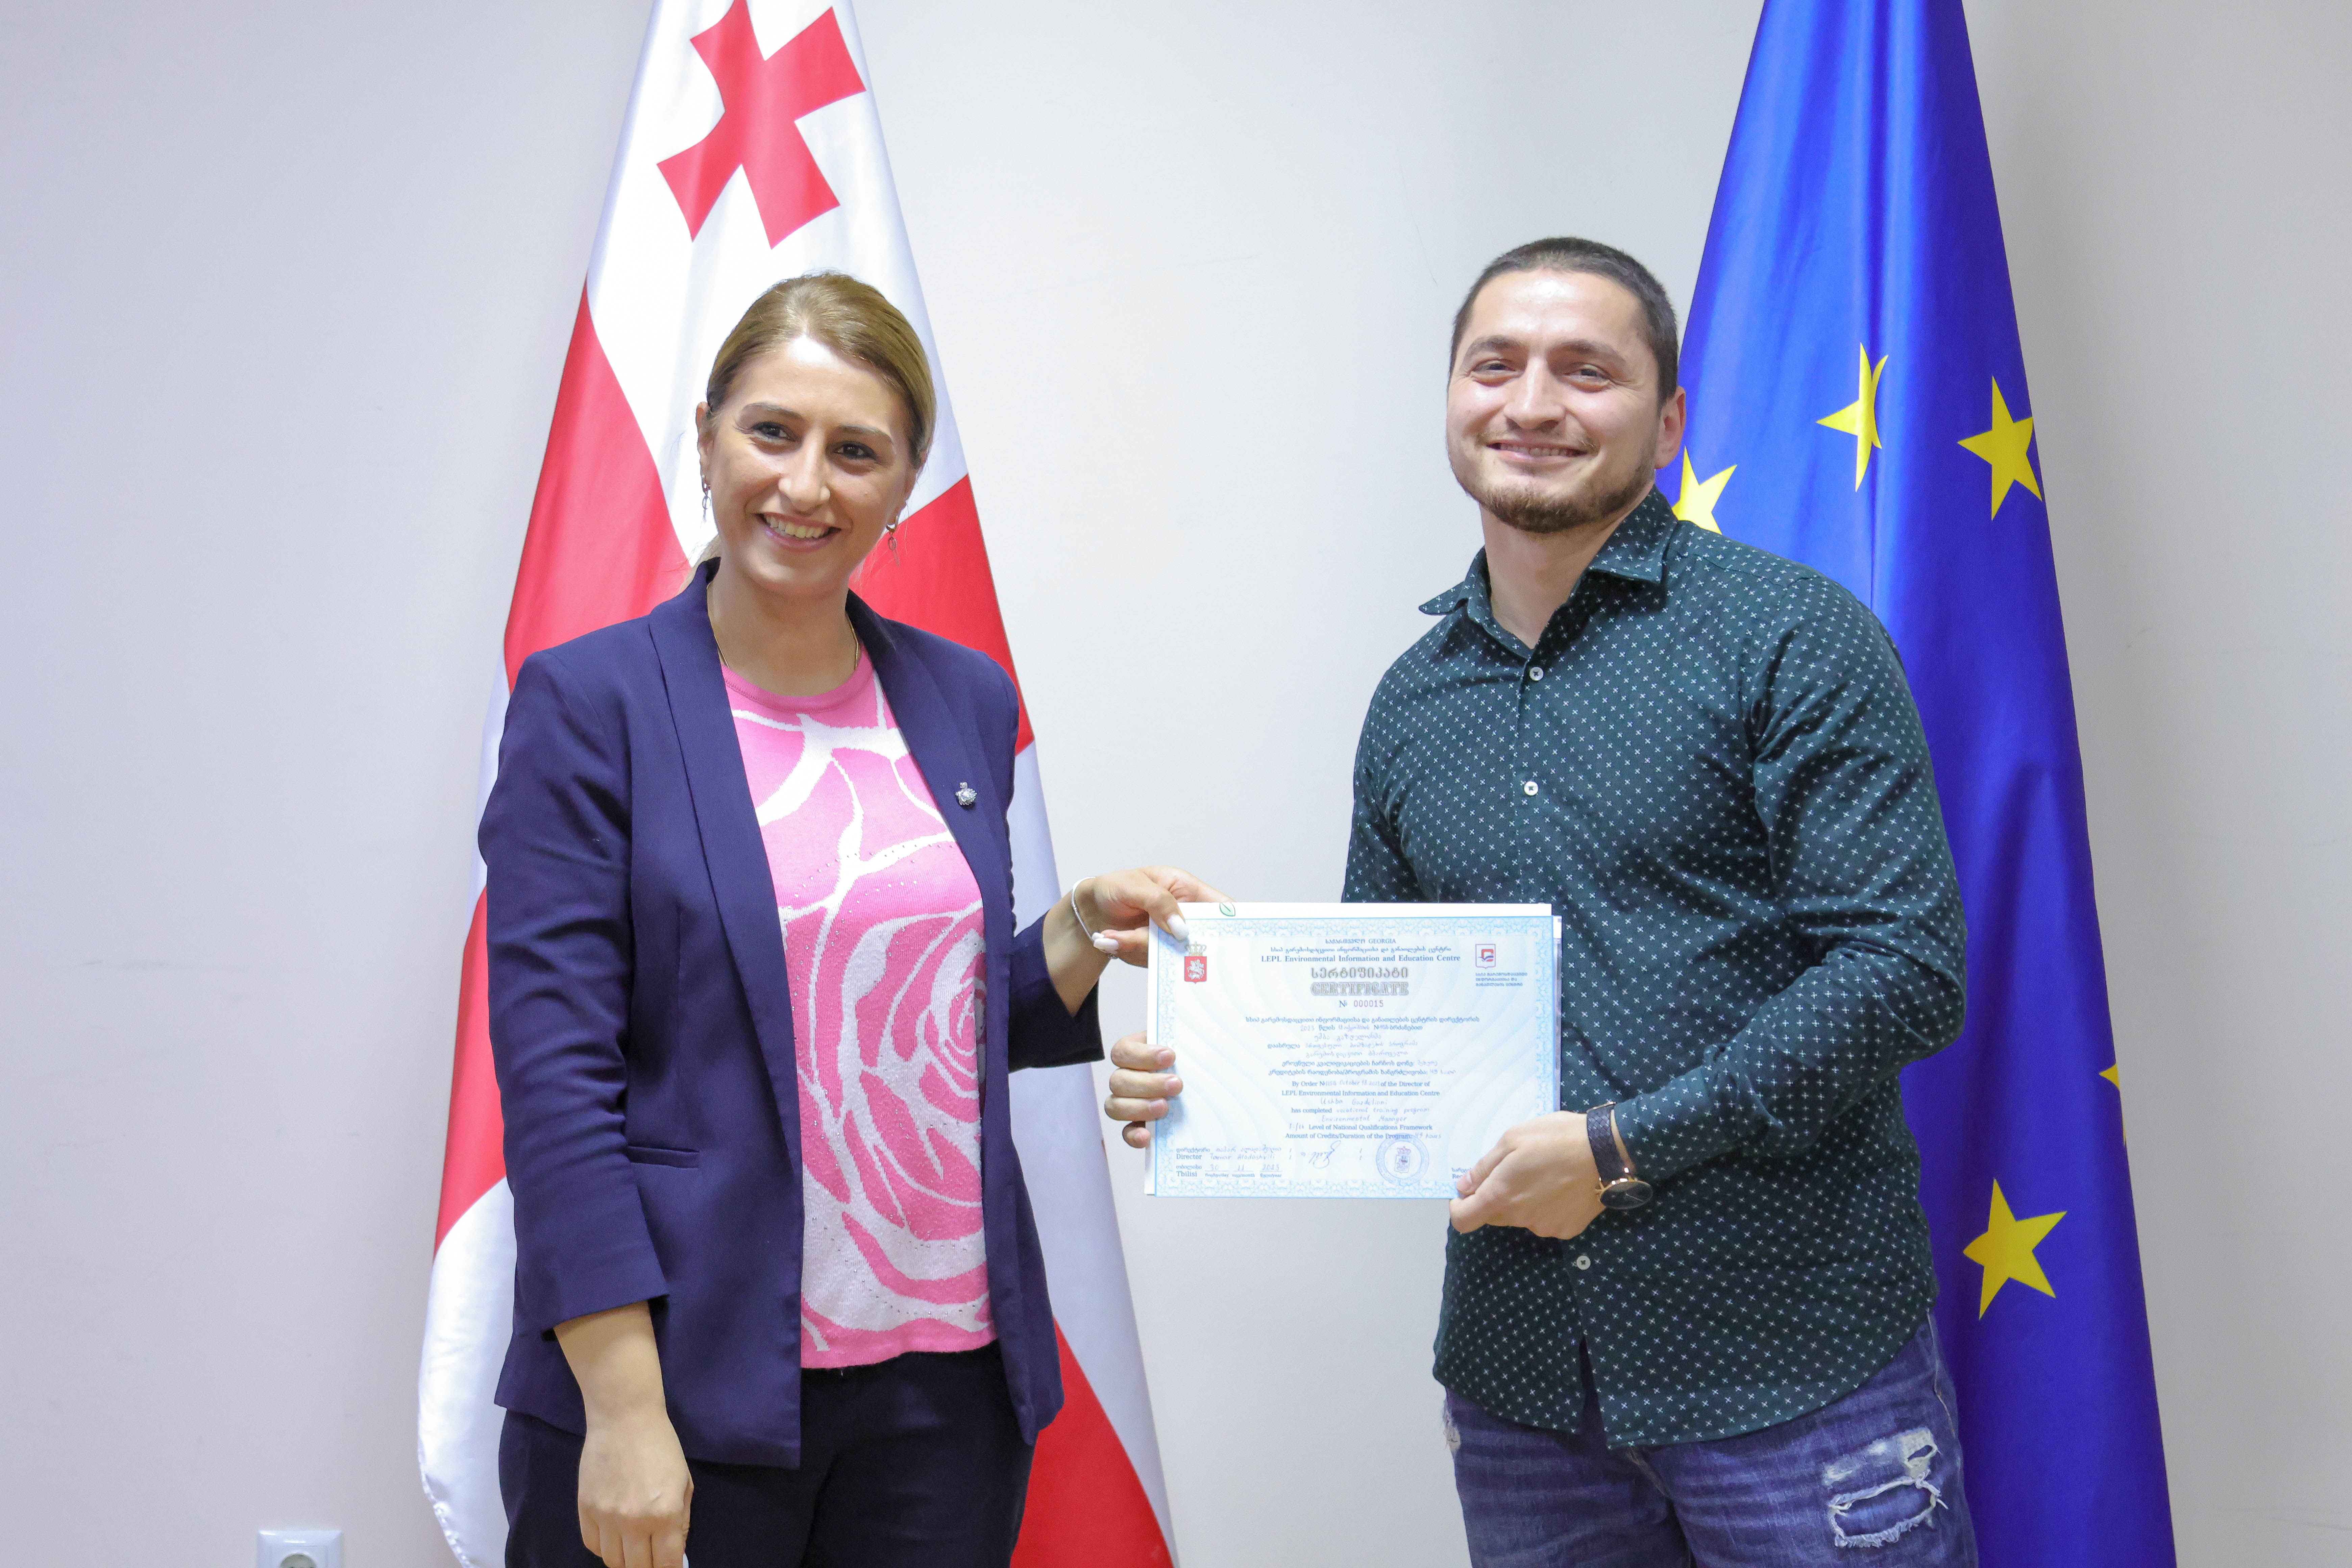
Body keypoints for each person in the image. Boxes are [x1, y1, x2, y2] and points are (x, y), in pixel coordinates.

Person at [1105, 238, 1980, 1564]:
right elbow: (1393, 1027)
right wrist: (1212, 1076)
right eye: (1495, 365)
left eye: (1586, 371)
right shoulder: (1414, 701)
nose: (1531, 403)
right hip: (1524, 1389)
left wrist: (1620, 1149)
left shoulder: (1791, 637)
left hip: (1791, 1362)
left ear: (1668, 421)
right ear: (1452, 399)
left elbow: (1903, 969)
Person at [485, 271, 1220, 1568]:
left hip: (944, 1404)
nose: (806, 485)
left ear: (905, 482)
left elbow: (914, 1020)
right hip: (687, 1383)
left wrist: (1076, 928)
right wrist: (624, 1409)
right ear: (706, 437)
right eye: (772, 433)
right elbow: (556, 1090)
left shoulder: (962, 698)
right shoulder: (591, 705)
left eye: (856, 452)